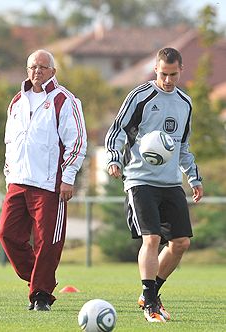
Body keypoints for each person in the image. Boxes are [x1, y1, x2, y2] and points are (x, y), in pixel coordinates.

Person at [104, 47, 203, 323]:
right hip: (139, 179)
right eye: (163, 74)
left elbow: (183, 146)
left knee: (181, 243)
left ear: (180, 70)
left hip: (170, 183)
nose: (168, 80)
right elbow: (117, 131)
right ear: (155, 70)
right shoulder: (140, 96)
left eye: (173, 74)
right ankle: (151, 305)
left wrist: (193, 177)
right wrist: (114, 159)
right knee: (152, 238)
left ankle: (150, 292)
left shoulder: (185, 103)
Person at [0, 50, 87, 311]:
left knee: (48, 240)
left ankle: (41, 295)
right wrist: (8, 175)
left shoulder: (64, 100)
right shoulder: (17, 101)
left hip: (50, 184)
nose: (37, 71)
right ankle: (41, 280)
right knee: (7, 235)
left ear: (53, 71)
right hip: (17, 181)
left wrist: (68, 178)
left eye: (42, 67)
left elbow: (77, 142)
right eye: (32, 67)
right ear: (27, 70)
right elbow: (9, 143)